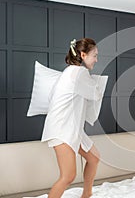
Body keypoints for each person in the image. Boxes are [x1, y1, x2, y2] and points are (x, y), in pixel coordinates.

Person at [42, 38, 103, 198]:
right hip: (62, 128)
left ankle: (87, 194)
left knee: (94, 158)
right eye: (94, 55)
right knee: (67, 176)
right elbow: (95, 94)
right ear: (83, 55)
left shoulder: (69, 71)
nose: (96, 59)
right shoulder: (79, 72)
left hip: (71, 127)